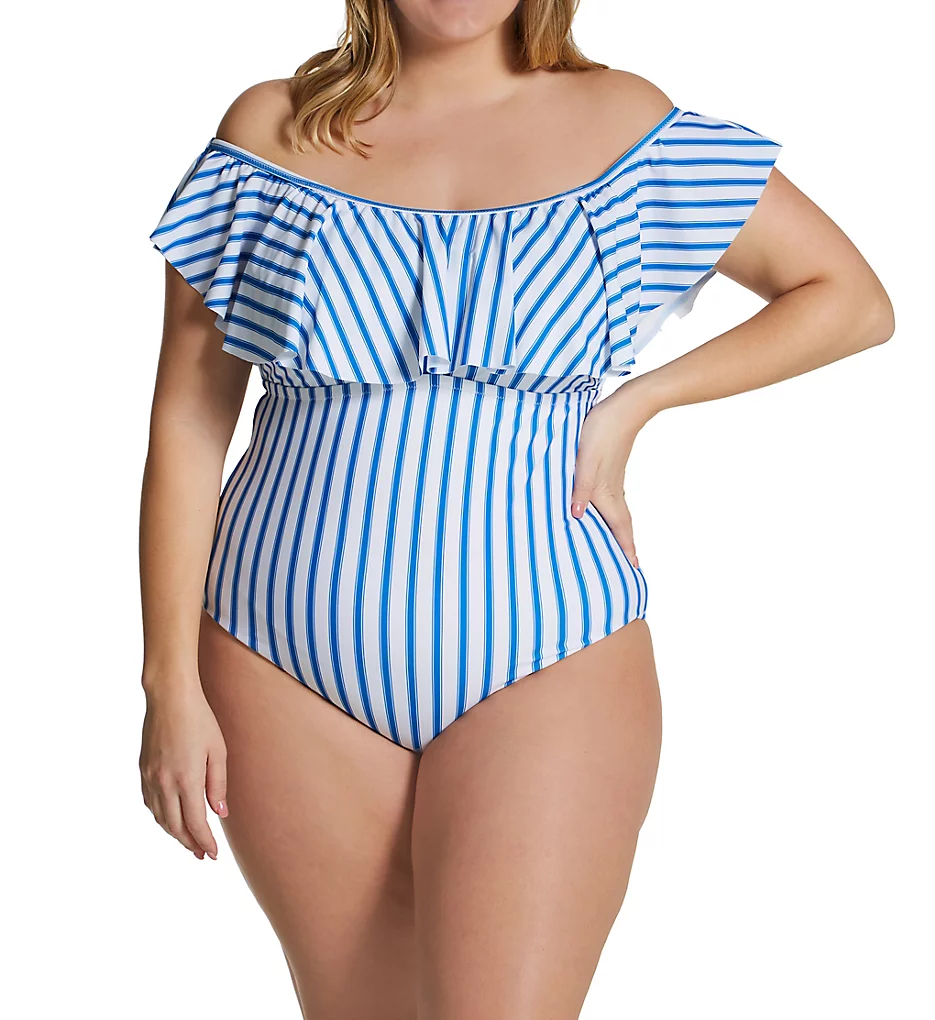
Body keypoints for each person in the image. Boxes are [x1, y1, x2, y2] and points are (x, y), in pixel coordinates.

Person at [138, 1, 895, 1016]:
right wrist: (169, 685)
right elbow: (187, 425)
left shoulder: (625, 123)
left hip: (545, 646)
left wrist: (638, 402)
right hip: (276, 660)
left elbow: (848, 298)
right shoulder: (267, 131)